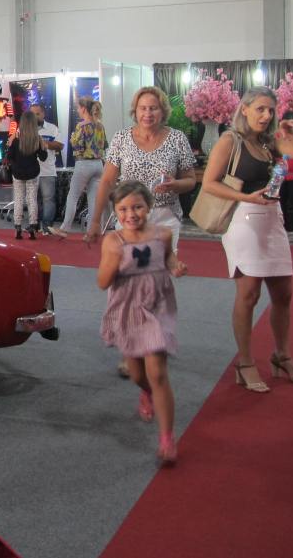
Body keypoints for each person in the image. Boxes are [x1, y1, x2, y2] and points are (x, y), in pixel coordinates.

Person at [202, 87, 293, 393]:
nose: (266, 115)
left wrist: (291, 130)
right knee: (249, 294)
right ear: (245, 109)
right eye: (261, 109)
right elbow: (209, 183)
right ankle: (245, 361)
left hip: (272, 218)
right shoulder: (230, 140)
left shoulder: (270, 141)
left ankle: (282, 355)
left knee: (284, 293)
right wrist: (245, 197)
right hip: (242, 218)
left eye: (271, 110)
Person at [84, 86, 196, 380]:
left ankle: (154, 342)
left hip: (164, 218)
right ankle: (129, 347)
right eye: (143, 108)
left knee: (155, 285)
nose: (148, 113)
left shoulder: (177, 139)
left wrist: (176, 185)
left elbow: (191, 179)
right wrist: (95, 221)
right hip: (128, 220)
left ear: (163, 111)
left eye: (154, 108)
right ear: (135, 111)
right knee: (125, 286)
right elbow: (107, 182)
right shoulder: (121, 138)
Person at [98, 181, 187, 467]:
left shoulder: (163, 234)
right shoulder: (113, 241)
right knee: (138, 374)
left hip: (158, 305)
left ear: (148, 206)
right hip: (127, 307)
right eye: (123, 209)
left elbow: (168, 257)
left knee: (158, 372)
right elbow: (103, 282)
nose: (131, 214)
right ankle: (146, 392)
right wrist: (115, 261)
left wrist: (176, 266)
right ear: (115, 211)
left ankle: (167, 437)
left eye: (137, 207)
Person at [51, 98, 106, 238]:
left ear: (84, 109)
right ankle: (93, 232)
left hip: (84, 164)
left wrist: (72, 138)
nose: (78, 111)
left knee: (73, 196)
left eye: (79, 108)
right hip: (99, 164)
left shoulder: (81, 126)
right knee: (93, 199)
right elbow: (104, 144)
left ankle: (64, 229)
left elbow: (78, 146)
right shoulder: (100, 126)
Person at [7, 110, 47, 239]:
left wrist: (10, 144)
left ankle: (18, 227)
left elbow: (9, 157)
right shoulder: (37, 139)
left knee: (18, 199)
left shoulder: (15, 138)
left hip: (18, 173)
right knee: (32, 200)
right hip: (32, 173)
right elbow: (43, 157)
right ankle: (33, 227)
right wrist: (43, 146)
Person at [30, 104, 64, 236]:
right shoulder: (25, 128)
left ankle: (47, 227)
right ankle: (34, 225)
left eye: (37, 114)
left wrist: (44, 144)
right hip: (30, 171)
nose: (35, 117)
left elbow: (60, 145)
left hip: (47, 170)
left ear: (43, 114)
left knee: (48, 199)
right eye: (32, 114)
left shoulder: (52, 128)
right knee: (33, 200)